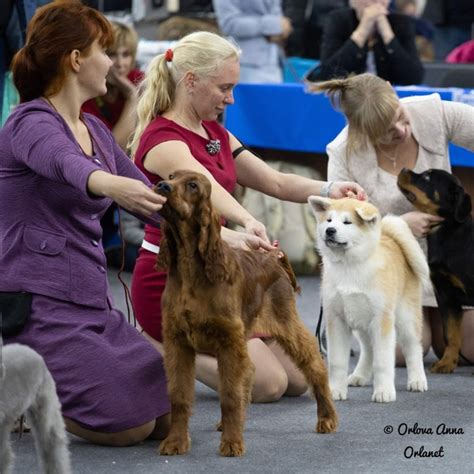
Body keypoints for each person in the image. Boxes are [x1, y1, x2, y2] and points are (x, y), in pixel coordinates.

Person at [0, 0, 271, 447]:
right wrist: (109, 186)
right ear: (76, 60)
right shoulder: (29, 121)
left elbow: (152, 198)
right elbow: (68, 165)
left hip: (89, 302)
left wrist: (229, 235)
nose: (113, 61)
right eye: (104, 51)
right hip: (37, 305)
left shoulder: (95, 128)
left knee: (165, 410)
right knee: (129, 427)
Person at [128, 30, 366, 403]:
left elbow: (275, 180)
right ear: (191, 81)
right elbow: (207, 188)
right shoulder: (162, 141)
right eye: (224, 87)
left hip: (221, 273)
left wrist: (328, 189)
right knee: (267, 385)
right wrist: (246, 220)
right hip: (173, 278)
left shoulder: (215, 133)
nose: (231, 98)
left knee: (299, 379)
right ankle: (152, 346)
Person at [309, 72, 474, 365]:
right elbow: (337, 231)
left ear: (391, 89)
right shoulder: (342, 153)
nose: (400, 130)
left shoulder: (433, 111)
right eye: (386, 130)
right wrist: (396, 226)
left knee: (467, 350)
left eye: (400, 116)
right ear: (358, 128)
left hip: (454, 259)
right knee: (403, 350)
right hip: (393, 269)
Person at [82, 21, 142, 267]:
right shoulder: (88, 92)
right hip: (100, 173)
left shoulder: (139, 79)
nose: (119, 63)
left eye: (126, 54)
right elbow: (111, 150)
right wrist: (132, 97)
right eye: (111, 54)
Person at [307, 0, 424, 85]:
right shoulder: (338, 20)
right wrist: (362, 30)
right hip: (349, 98)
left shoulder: (401, 23)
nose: (376, 2)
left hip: (389, 100)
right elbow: (327, 74)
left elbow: (415, 77)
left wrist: (388, 35)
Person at [212, 0, 293, 83]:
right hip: (244, 65)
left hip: (275, 63)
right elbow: (229, 24)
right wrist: (272, 25)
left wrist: (281, 28)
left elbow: (278, 17)